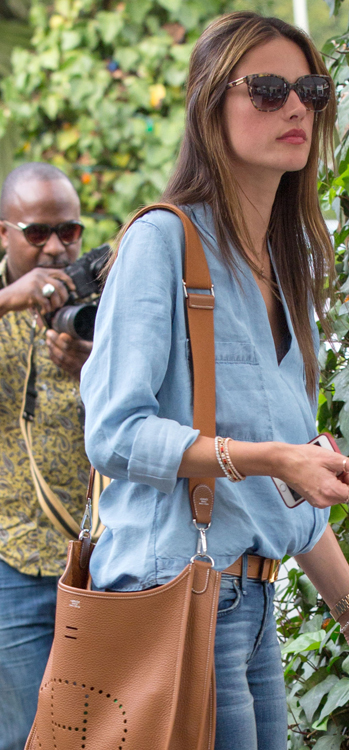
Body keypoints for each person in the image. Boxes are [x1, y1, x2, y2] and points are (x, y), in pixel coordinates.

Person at [81, 12, 349, 750]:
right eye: (267, 88)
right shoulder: (162, 242)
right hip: (172, 601)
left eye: (310, 88)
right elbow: (113, 433)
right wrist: (273, 457)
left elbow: (291, 484)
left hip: (251, 606)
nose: (297, 106)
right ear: (211, 104)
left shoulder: (289, 270)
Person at [0, 163, 92, 750]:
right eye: (38, 233)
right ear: (3, 234)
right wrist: (11, 298)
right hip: (10, 558)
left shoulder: (102, 303)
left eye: (69, 231)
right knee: (24, 736)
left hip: (100, 562)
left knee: (106, 729)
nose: (56, 247)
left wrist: (92, 368)